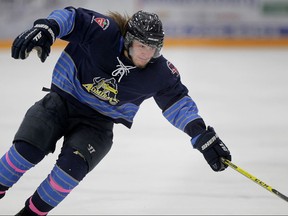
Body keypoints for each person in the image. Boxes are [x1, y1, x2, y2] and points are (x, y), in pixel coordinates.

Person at [0, 6, 231, 215]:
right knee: (25, 152)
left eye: (153, 48)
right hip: (61, 102)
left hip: (98, 124)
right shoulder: (105, 32)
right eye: (142, 46)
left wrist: (201, 135)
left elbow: (178, 103)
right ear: (128, 40)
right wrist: (48, 28)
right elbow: (73, 17)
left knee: (71, 170)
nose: (146, 54)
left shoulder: (160, 72)